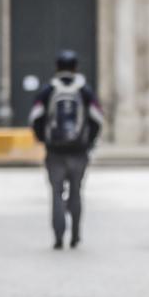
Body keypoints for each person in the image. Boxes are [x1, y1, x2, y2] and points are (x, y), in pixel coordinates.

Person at [29, 50, 104, 250]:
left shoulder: (48, 90)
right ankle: (76, 235)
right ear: (76, 67)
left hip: (55, 152)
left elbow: (35, 117)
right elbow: (97, 118)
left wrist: (44, 139)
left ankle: (58, 237)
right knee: (76, 193)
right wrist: (88, 141)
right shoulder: (84, 90)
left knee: (56, 194)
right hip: (79, 151)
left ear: (57, 67)